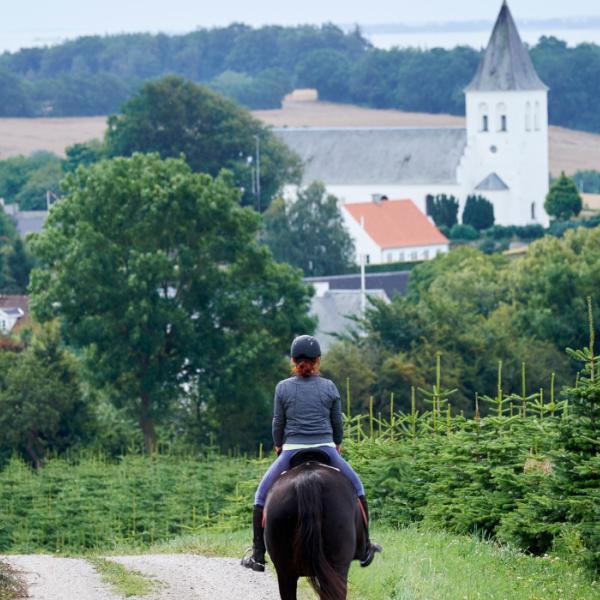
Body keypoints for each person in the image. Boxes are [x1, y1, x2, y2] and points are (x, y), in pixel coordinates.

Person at [241, 334, 382, 572]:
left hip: (291, 451)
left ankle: (257, 554)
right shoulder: (329, 387)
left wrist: (279, 445)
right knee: (358, 489)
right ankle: (364, 546)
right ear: (318, 360)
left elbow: (278, 422)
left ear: (293, 360)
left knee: (261, 496)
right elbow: (337, 422)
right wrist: (336, 443)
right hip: (326, 449)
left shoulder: (282, 388)